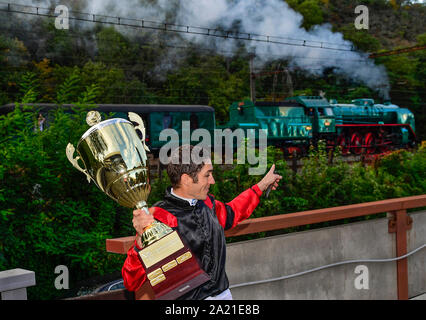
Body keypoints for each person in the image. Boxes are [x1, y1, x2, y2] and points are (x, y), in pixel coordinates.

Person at [122, 145, 282, 300]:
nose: (212, 181)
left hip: (224, 294)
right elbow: (132, 282)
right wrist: (139, 245)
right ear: (186, 179)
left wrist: (261, 186)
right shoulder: (159, 217)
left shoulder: (207, 203)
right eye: (207, 175)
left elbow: (232, 212)